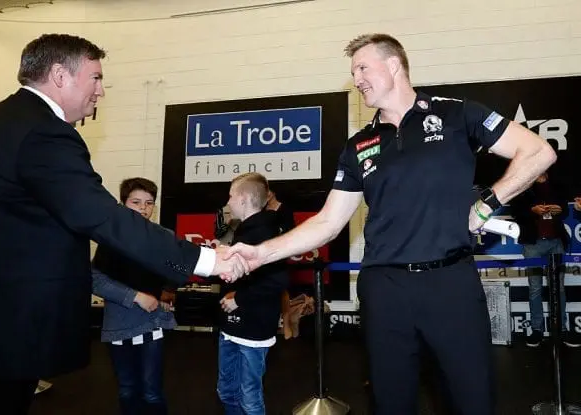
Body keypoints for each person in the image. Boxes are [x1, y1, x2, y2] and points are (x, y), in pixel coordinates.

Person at [0, 34, 247, 415]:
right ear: (60, 75)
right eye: (96, 78)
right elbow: (100, 214)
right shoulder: (42, 130)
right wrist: (206, 260)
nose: (100, 91)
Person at [226, 33, 557, 415]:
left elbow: (538, 151)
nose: (356, 79)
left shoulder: (456, 114)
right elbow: (328, 222)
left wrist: (487, 204)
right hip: (385, 289)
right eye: (353, 71)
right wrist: (260, 253)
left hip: (450, 284)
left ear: (394, 65)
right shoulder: (358, 145)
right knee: (391, 402)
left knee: (472, 400)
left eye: (362, 68)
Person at [92, 177, 178, 415]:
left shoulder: (164, 236)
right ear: (123, 203)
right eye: (136, 202)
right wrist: (136, 296)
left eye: (149, 203)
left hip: (153, 322)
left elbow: (179, 268)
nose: (143, 208)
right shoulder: (110, 239)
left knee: (152, 392)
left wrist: (169, 290)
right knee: (127, 390)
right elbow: (95, 280)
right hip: (119, 323)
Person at [217, 173, 288, 415]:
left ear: (244, 198)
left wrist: (238, 298)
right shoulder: (244, 230)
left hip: (254, 330)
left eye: (230, 196)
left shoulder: (266, 233)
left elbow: (277, 280)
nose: (228, 202)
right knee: (227, 391)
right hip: (231, 328)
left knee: (250, 399)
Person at [508, 171, 579, 347]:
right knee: (535, 288)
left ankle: (561, 329)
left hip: (556, 241)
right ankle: (537, 330)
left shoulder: (557, 184)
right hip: (533, 244)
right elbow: (515, 211)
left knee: (559, 288)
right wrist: (532, 210)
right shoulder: (523, 184)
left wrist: (560, 210)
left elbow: (564, 210)